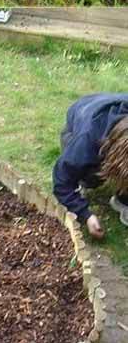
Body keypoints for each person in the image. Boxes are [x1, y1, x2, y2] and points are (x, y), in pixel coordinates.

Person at [52, 92, 128, 238]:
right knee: (90, 178)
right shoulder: (86, 142)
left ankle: (122, 201)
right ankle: (91, 180)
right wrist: (86, 215)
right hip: (82, 115)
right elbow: (61, 182)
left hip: (110, 103)